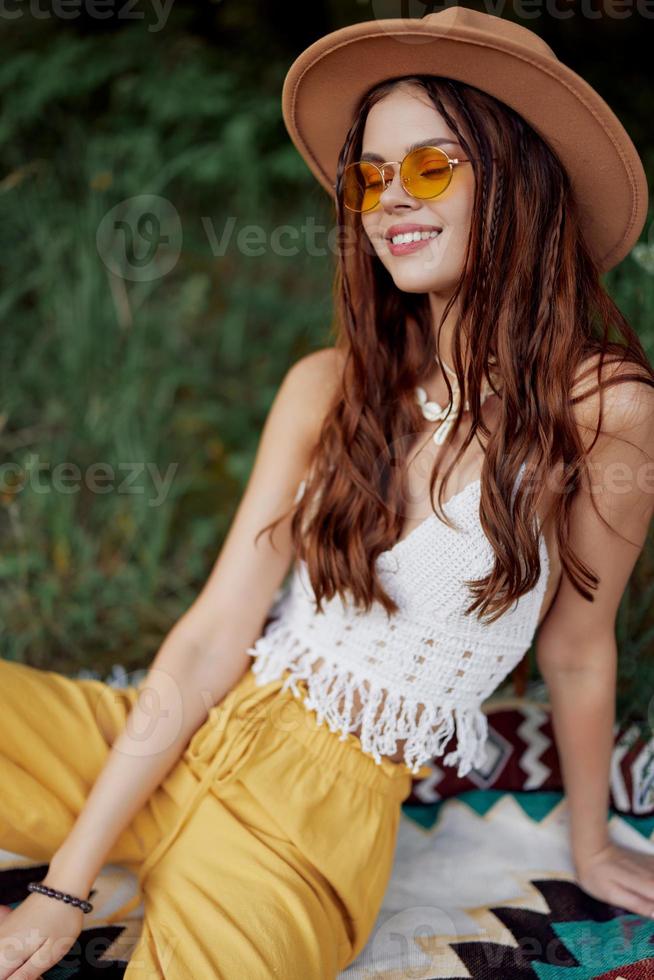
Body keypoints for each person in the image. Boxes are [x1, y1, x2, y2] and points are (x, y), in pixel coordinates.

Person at [1, 7, 654, 979]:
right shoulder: (328, 385)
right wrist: (65, 883)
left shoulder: (605, 409)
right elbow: (217, 628)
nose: (390, 199)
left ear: (520, 184)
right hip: (185, 727)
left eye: (431, 167)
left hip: (311, 824)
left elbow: (577, 643)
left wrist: (593, 842)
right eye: (370, 176)